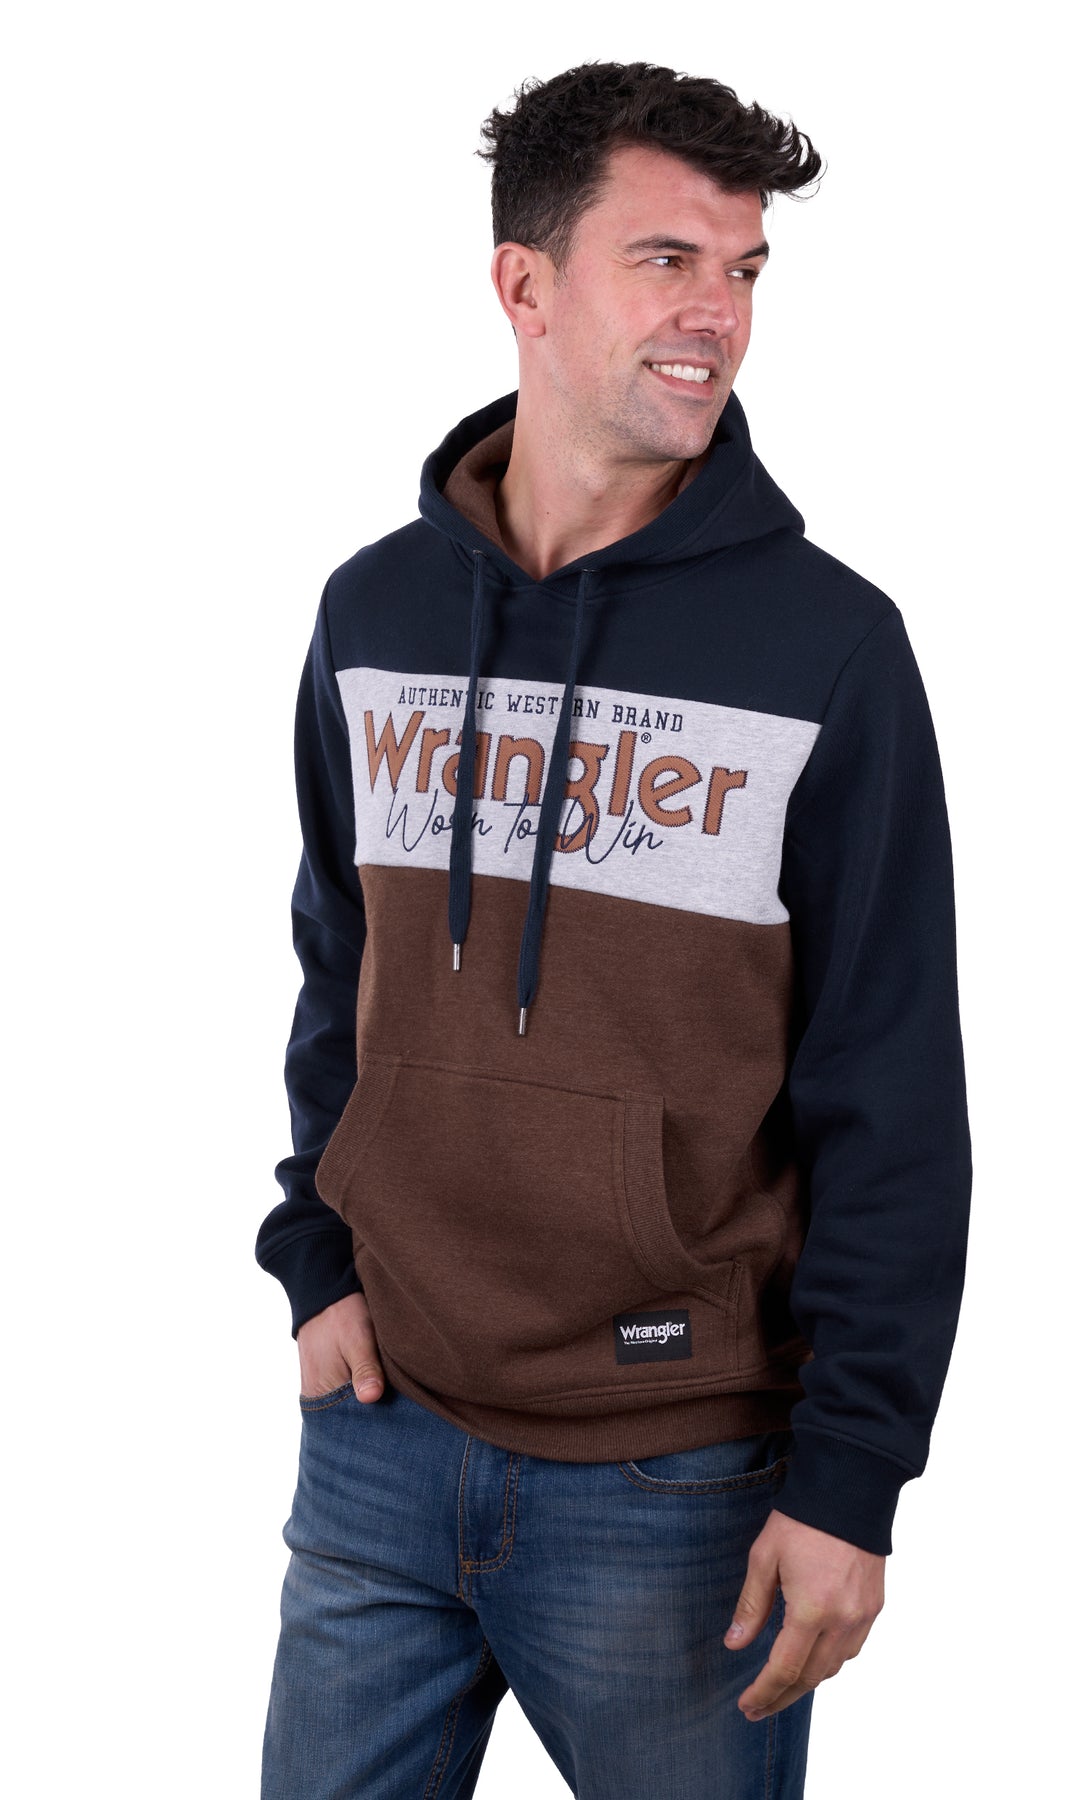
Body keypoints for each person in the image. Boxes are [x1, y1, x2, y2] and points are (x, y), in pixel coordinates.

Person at [255, 60, 972, 1799]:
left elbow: (890, 1092)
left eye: (743, 272)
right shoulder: (376, 611)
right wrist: (317, 1260)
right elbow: (340, 968)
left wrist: (851, 1480)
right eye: (666, 262)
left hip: (677, 1482)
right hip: (380, 1437)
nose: (717, 314)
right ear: (525, 283)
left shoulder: (828, 650)